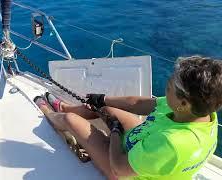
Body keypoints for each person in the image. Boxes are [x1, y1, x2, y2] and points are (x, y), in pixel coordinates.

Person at [33, 56, 222, 180]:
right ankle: (66, 106)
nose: (165, 91)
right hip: (143, 146)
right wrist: (102, 99)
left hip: (123, 169)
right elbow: (138, 103)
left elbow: (119, 169)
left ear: (184, 103)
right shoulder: (202, 114)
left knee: (70, 121)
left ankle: (52, 114)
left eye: (168, 89)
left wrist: (115, 132)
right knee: (106, 108)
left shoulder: (172, 143)